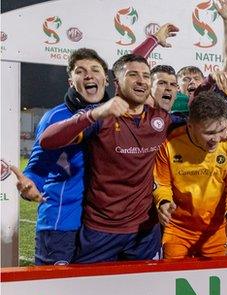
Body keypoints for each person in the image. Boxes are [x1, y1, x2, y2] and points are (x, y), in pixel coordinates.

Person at [40, 54, 172, 263]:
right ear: (117, 82)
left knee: (146, 293)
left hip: (145, 232)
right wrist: (94, 114)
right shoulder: (100, 116)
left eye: (146, 76)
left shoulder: (161, 119)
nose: (141, 81)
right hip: (101, 230)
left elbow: (200, 125)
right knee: (91, 294)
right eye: (133, 75)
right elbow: (47, 140)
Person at [11, 48, 110, 265]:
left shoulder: (114, 115)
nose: (89, 75)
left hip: (101, 226)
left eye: (95, 70)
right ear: (71, 82)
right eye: (80, 71)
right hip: (61, 222)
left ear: (107, 79)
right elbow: (38, 165)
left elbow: (132, 72)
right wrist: (30, 185)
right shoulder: (56, 117)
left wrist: (153, 41)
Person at [153, 91, 227, 258]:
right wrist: (164, 202)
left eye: (221, 130)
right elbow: (162, 183)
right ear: (190, 126)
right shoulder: (170, 143)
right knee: (172, 281)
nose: (216, 139)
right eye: (209, 133)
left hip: (218, 230)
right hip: (178, 230)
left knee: (221, 281)